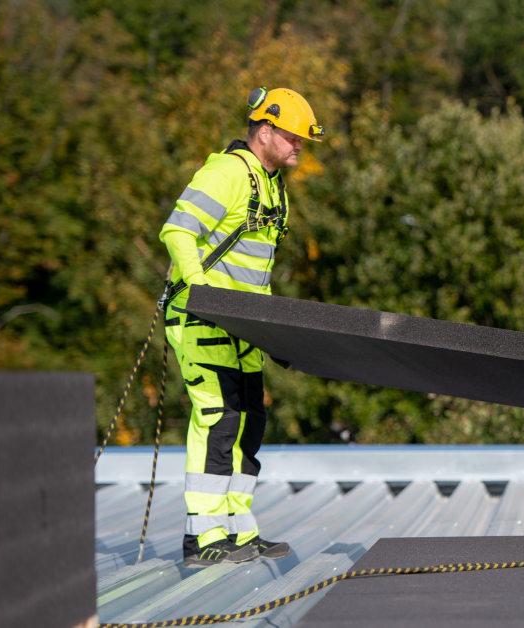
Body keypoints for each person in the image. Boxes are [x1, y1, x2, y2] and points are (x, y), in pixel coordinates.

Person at [159, 87, 325, 567]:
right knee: (218, 421)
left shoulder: (272, 186)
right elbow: (177, 231)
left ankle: (237, 529)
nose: (299, 147)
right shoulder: (228, 173)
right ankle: (203, 537)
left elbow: (257, 272)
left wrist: (275, 333)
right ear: (265, 131)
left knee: (250, 422)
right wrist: (202, 293)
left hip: (245, 324)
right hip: (203, 318)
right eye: (293, 138)